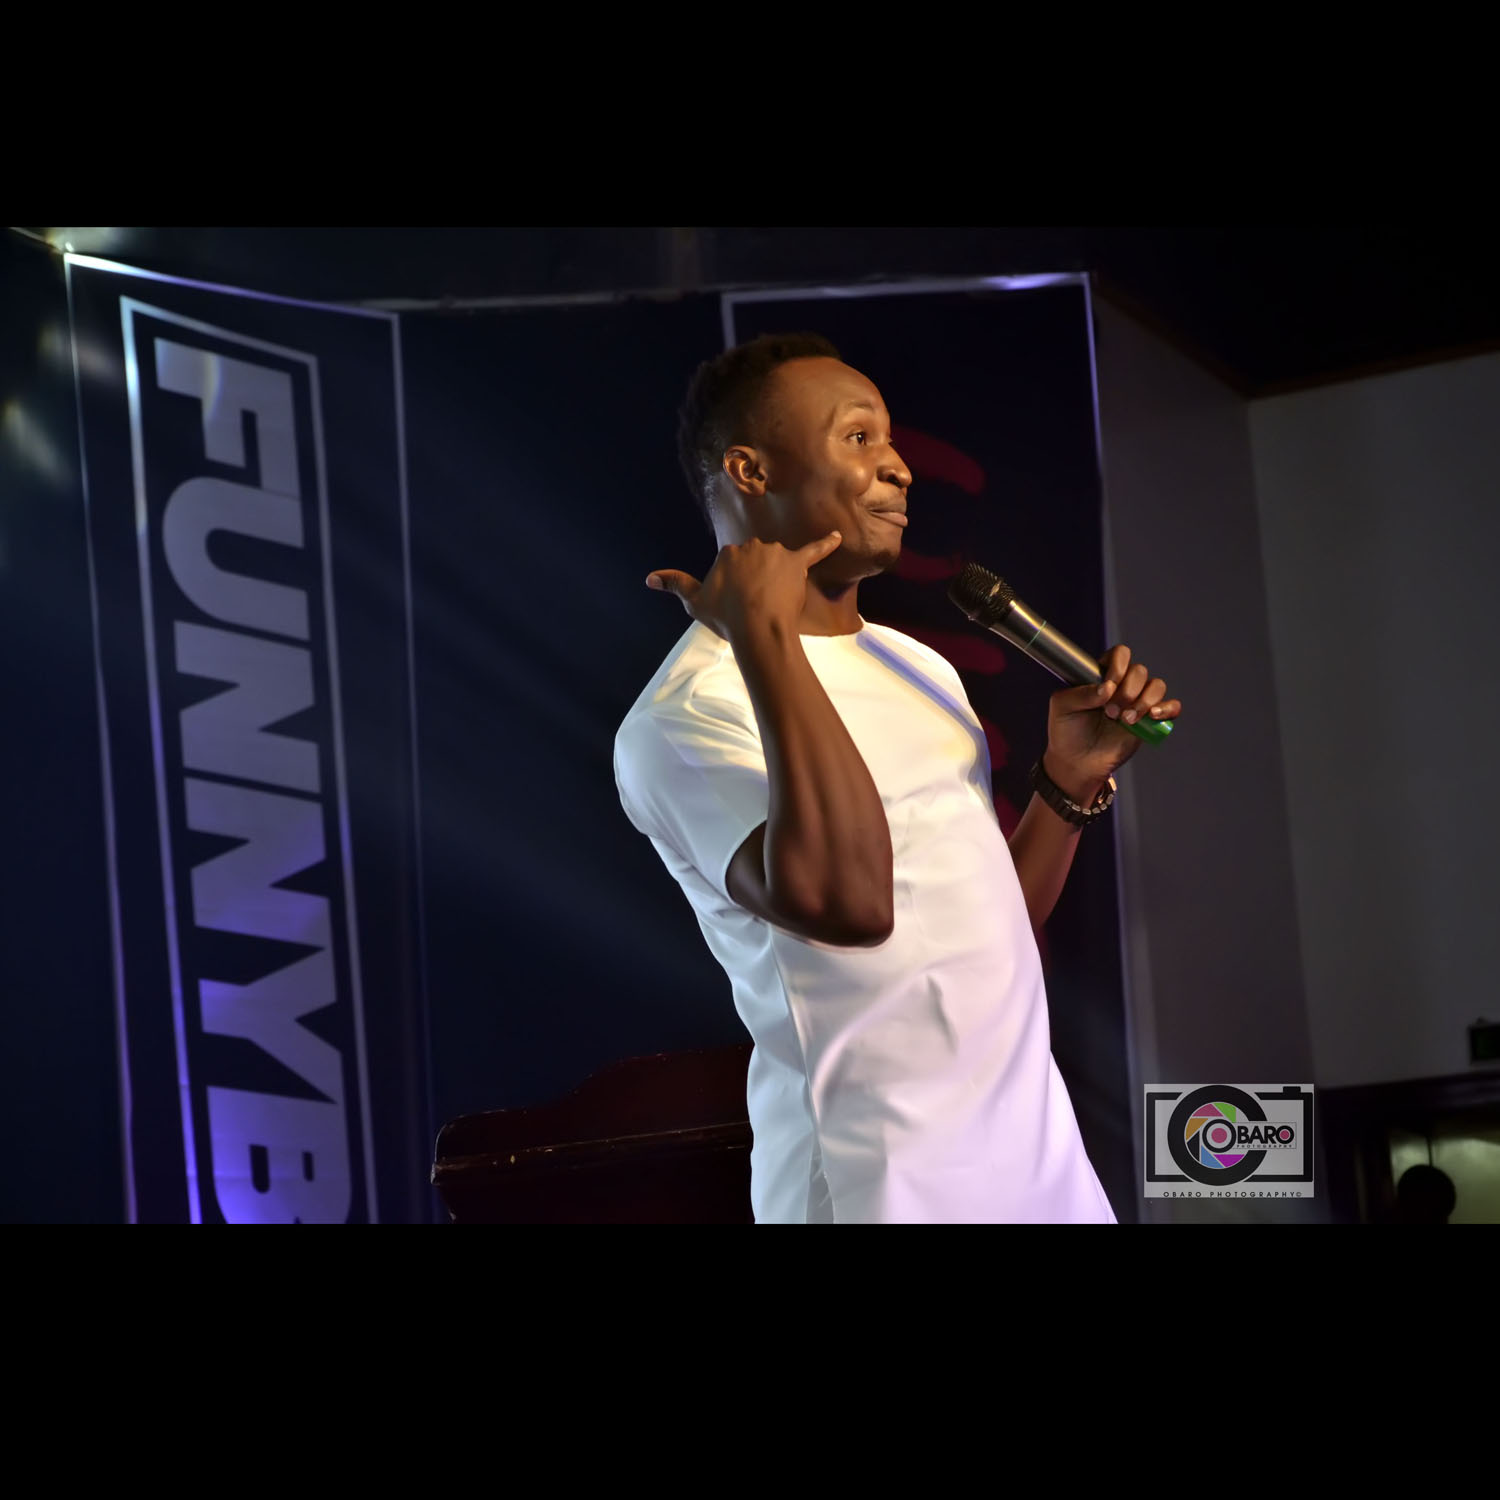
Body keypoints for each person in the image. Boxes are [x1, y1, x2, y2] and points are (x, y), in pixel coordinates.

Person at [613, 332, 1181, 1224]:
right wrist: (766, 638)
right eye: (858, 438)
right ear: (751, 471)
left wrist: (1066, 785)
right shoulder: (686, 715)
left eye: (890, 439)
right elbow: (852, 904)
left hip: (1040, 1176)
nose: (900, 467)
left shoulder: (919, 666)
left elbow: (984, 924)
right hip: (876, 1186)